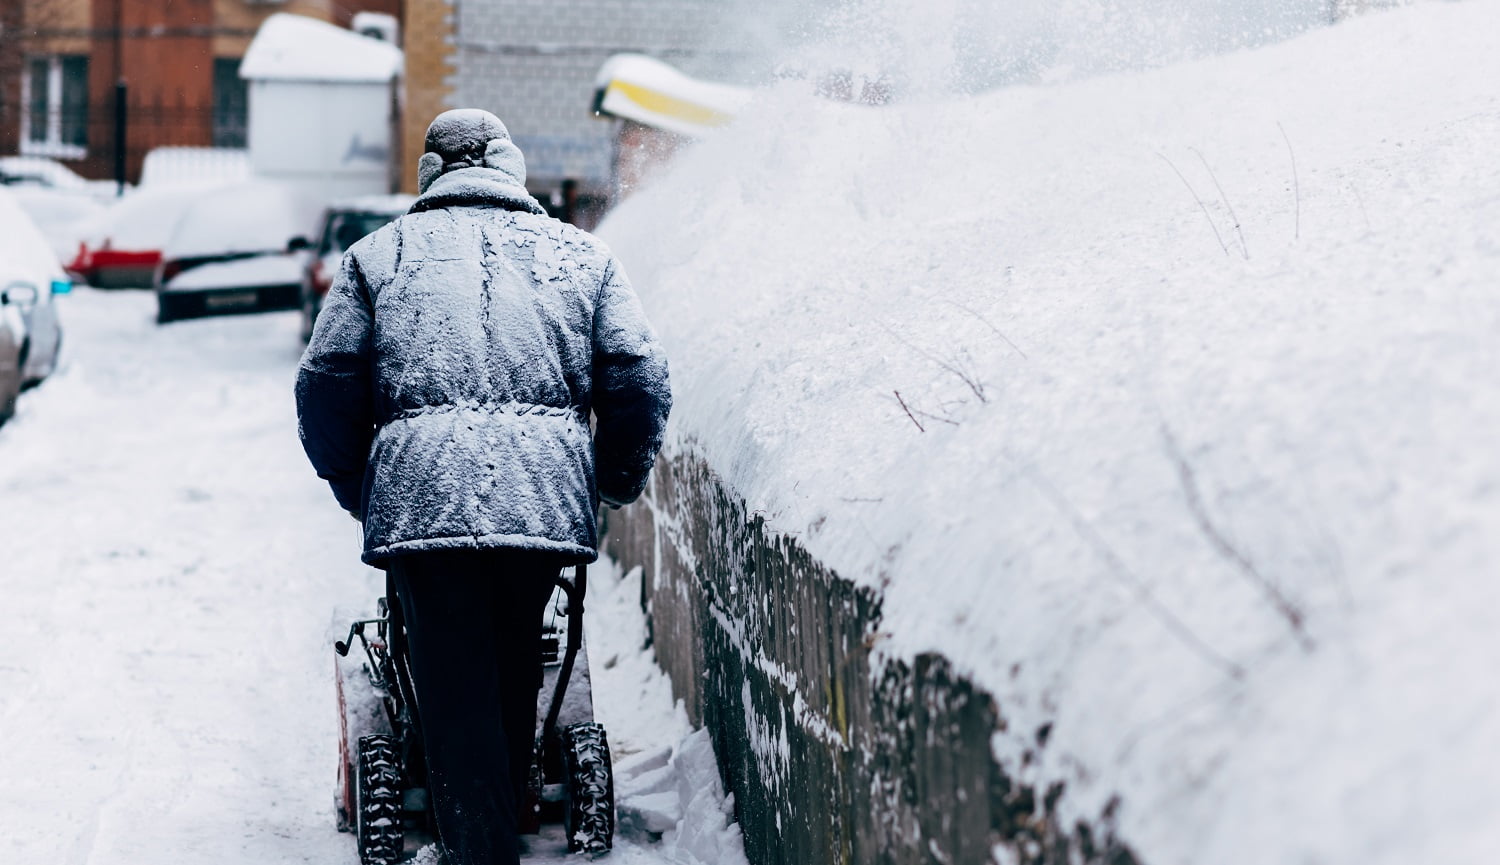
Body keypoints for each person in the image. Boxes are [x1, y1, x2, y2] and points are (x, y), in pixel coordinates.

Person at [295, 108, 671, 865]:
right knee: (512, 665)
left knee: (453, 686)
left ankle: (479, 845)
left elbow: (326, 383)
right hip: (541, 503)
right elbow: (639, 377)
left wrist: (358, 485)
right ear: (512, 168)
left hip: (420, 506)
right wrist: (610, 480)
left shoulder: (378, 257)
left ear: (430, 173)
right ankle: (496, 824)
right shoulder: (582, 258)